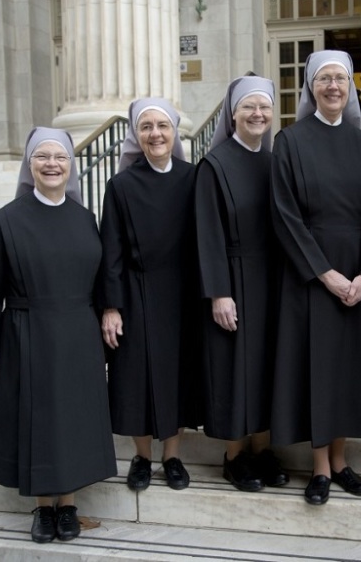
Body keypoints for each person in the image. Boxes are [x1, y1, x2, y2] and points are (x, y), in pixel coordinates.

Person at [0, 127, 117, 543]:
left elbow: (101, 277)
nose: (52, 164)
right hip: (26, 333)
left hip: (78, 333)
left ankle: (68, 505)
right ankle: (41, 508)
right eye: (42, 156)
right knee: (37, 419)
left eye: (60, 157)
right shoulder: (7, 220)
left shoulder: (84, 218)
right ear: (29, 165)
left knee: (72, 419)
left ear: (70, 167)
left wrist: (108, 309)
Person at [270, 50, 361, 506]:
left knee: (348, 371)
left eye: (340, 78)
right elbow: (285, 214)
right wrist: (325, 273)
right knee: (318, 368)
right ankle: (319, 467)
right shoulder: (291, 141)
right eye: (324, 79)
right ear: (310, 88)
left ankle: (341, 461)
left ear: (352, 86)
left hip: (359, 278)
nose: (333, 86)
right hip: (312, 274)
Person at [99, 97, 202, 493]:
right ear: (136, 135)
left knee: (178, 373)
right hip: (137, 291)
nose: (155, 133)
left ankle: (172, 455)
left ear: (174, 132)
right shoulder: (121, 185)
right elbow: (112, 251)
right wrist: (111, 306)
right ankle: (142, 456)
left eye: (162, 126)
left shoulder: (194, 178)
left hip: (183, 293)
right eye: (146, 127)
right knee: (137, 377)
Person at [195, 75, 289, 492]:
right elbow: (208, 233)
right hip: (233, 278)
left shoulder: (276, 162)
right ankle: (234, 456)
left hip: (273, 279)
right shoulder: (214, 165)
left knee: (269, 366)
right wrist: (219, 291)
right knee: (237, 368)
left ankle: (264, 450)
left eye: (264, 107)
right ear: (232, 114)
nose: (257, 114)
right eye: (248, 107)